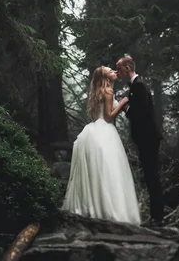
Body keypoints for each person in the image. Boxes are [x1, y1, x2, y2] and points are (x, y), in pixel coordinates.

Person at [61, 66, 141, 225]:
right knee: (109, 171)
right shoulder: (108, 92)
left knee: (99, 171)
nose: (114, 71)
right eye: (110, 71)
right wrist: (124, 101)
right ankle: (109, 211)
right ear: (105, 78)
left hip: (93, 131)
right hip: (105, 133)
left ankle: (95, 207)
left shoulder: (98, 91)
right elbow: (109, 117)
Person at [116, 56, 165, 227]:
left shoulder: (139, 86)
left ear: (128, 68)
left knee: (152, 177)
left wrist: (125, 107)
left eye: (119, 69)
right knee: (150, 176)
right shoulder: (136, 86)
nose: (117, 73)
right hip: (146, 138)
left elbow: (140, 114)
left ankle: (158, 218)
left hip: (149, 139)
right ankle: (156, 217)